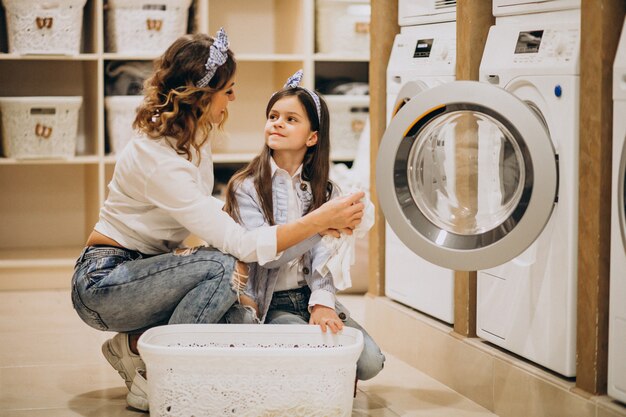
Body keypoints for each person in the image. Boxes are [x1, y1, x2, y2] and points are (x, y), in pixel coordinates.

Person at [70, 30, 365, 412]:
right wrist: (319, 221)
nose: (234, 98)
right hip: (104, 281)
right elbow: (242, 246)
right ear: (201, 95)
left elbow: (212, 217)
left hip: (143, 268)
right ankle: (161, 372)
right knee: (225, 266)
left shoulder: (193, 138)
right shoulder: (157, 158)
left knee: (231, 296)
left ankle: (135, 345)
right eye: (227, 90)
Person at [222, 70, 385, 383]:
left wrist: (323, 303)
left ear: (312, 137)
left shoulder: (326, 191)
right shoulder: (247, 187)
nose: (278, 123)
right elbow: (265, 254)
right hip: (270, 304)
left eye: (291, 119)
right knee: (319, 357)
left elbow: (328, 257)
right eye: (273, 116)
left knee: (370, 364)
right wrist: (319, 225)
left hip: (309, 296)